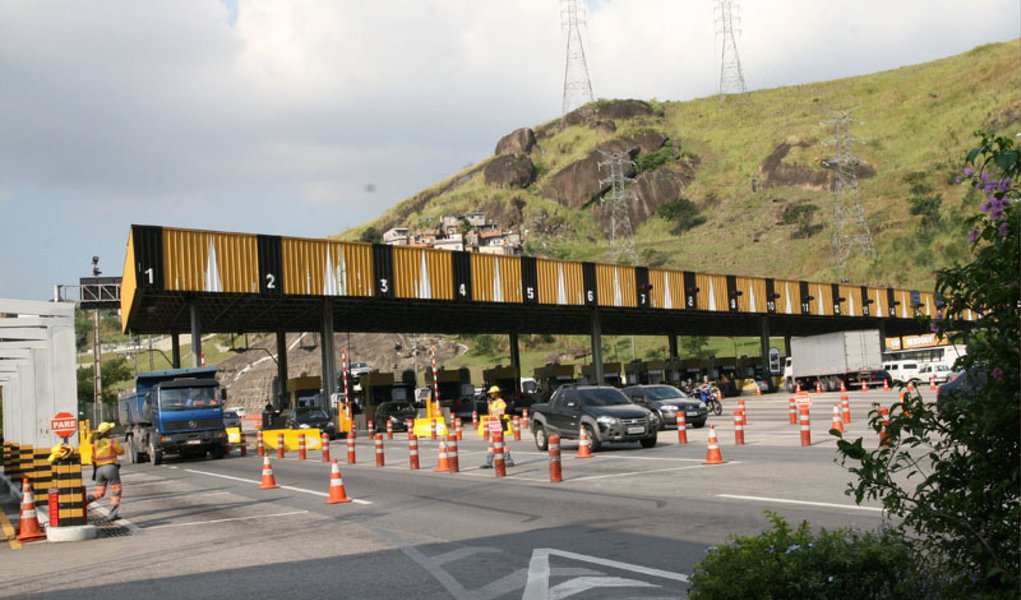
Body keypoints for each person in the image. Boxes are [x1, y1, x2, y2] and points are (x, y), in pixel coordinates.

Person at [88, 422, 124, 520]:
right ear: (108, 432)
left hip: (99, 470)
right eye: (110, 429)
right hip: (111, 469)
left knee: (100, 492)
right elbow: (121, 451)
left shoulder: (95, 444)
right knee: (116, 491)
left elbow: (93, 459)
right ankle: (112, 515)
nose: (111, 430)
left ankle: (84, 501)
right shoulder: (112, 442)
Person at [480, 386, 514, 469]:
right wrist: (489, 405)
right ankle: (490, 462)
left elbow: (501, 413)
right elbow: (490, 413)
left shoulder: (500, 402)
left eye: (492, 393)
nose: (491, 395)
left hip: (499, 424)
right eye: (490, 393)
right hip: (493, 425)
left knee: (500, 442)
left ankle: (507, 460)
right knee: (493, 444)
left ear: (496, 393)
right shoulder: (493, 402)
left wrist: (494, 412)